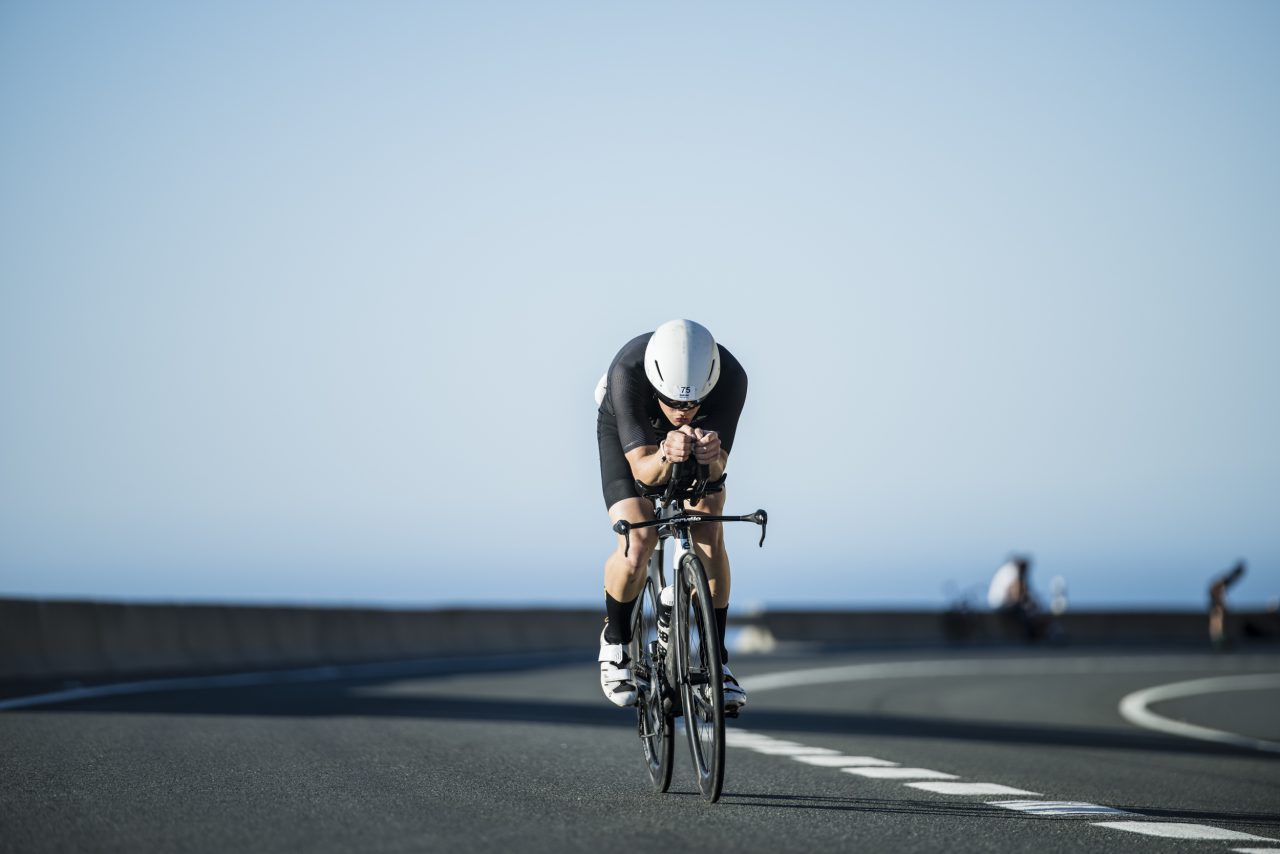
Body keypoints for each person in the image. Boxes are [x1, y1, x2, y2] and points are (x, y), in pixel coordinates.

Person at [594, 319, 748, 711]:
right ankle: (615, 641)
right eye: (676, 404)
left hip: (694, 444)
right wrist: (664, 452)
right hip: (632, 435)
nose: (685, 411)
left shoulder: (731, 377)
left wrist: (710, 457)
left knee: (709, 528)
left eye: (693, 404)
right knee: (638, 539)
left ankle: (718, 665)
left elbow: (718, 472)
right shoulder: (627, 371)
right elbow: (645, 470)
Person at [987, 555, 1045, 642]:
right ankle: (1030, 636)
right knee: (1024, 611)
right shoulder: (1012, 572)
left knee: (1027, 608)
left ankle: (1034, 634)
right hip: (999, 604)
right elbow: (1016, 594)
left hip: (1001, 603)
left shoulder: (1010, 570)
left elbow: (1023, 592)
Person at [1208, 560, 1246, 650]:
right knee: (1217, 621)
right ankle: (1218, 642)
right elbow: (1220, 590)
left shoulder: (1227, 577)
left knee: (1217, 620)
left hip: (1214, 598)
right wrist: (1222, 602)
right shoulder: (1228, 578)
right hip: (1215, 598)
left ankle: (1218, 641)